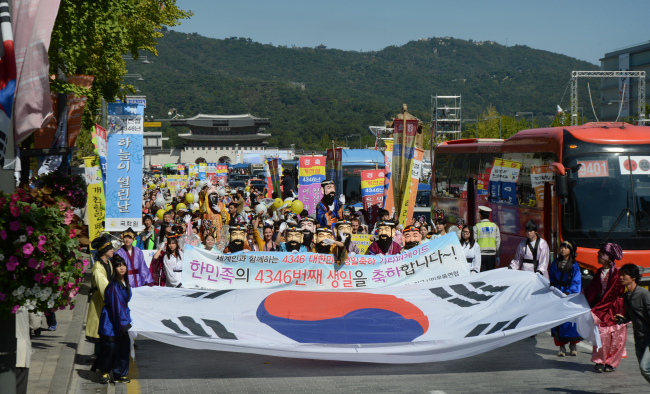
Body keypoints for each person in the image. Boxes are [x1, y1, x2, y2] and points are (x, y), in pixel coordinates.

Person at [583, 243, 626, 373]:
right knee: (601, 334)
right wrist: (582, 295)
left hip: (614, 307)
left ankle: (611, 362)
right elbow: (593, 288)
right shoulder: (599, 272)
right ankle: (599, 360)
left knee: (616, 335)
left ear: (607, 257)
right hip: (602, 305)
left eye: (600, 254)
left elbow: (611, 294)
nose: (598, 256)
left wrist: (597, 310)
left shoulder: (617, 273)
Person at [92, 255, 132, 384]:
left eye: (123, 265)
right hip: (111, 321)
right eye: (118, 266)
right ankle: (104, 372)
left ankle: (119, 373)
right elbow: (117, 307)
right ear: (114, 269)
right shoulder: (114, 286)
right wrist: (124, 324)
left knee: (123, 347)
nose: (121, 268)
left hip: (120, 319)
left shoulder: (125, 283)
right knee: (110, 348)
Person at [616, 264, 650, 383]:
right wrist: (623, 319)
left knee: (645, 368)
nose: (621, 277)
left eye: (624, 275)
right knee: (644, 370)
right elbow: (632, 315)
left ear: (633, 277)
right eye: (621, 275)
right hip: (638, 338)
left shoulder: (644, 294)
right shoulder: (626, 296)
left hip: (649, 338)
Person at [549, 240, 582, 357]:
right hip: (558, 293)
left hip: (569, 294)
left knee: (570, 320)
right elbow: (551, 275)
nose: (562, 250)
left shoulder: (574, 265)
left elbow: (576, 280)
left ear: (571, 251)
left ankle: (573, 345)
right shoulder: (555, 263)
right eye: (561, 247)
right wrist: (552, 284)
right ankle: (561, 347)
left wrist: (570, 291)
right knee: (559, 320)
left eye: (565, 248)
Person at [86, 235, 114, 352]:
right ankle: (99, 360)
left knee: (105, 330)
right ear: (104, 250)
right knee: (99, 331)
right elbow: (104, 287)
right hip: (100, 301)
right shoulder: (97, 267)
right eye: (111, 248)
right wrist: (113, 300)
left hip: (106, 301)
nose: (113, 250)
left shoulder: (109, 263)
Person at [474, 206, 501, 271]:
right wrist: (498, 256)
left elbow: (474, 242)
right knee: (490, 277)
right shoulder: (495, 226)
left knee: (482, 276)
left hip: (480, 255)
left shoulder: (477, 226)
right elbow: (498, 242)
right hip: (491, 256)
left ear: (480, 216)